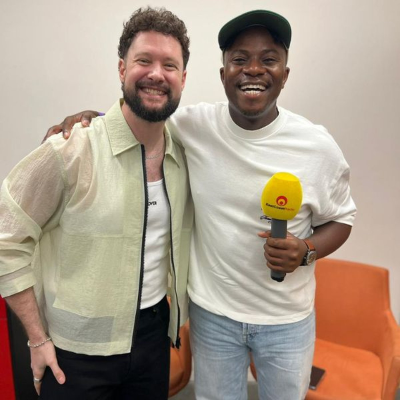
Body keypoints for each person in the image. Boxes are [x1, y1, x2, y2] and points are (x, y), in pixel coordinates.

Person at [43, 9, 357, 400]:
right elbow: (140, 113)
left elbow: (342, 219)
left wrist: (306, 250)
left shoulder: (316, 146)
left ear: (285, 74)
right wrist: (92, 119)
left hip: (287, 321)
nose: (253, 69)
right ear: (223, 74)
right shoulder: (193, 126)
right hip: (213, 317)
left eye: (269, 59)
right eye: (240, 59)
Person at [0, 7, 193, 400]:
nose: (157, 74)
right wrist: (37, 339)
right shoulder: (71, 149)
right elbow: (6, 237)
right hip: (74, 353)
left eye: (169, 65)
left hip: (153, 341)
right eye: (144, 60)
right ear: (122, 69)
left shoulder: (186, 153)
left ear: (183, 78)